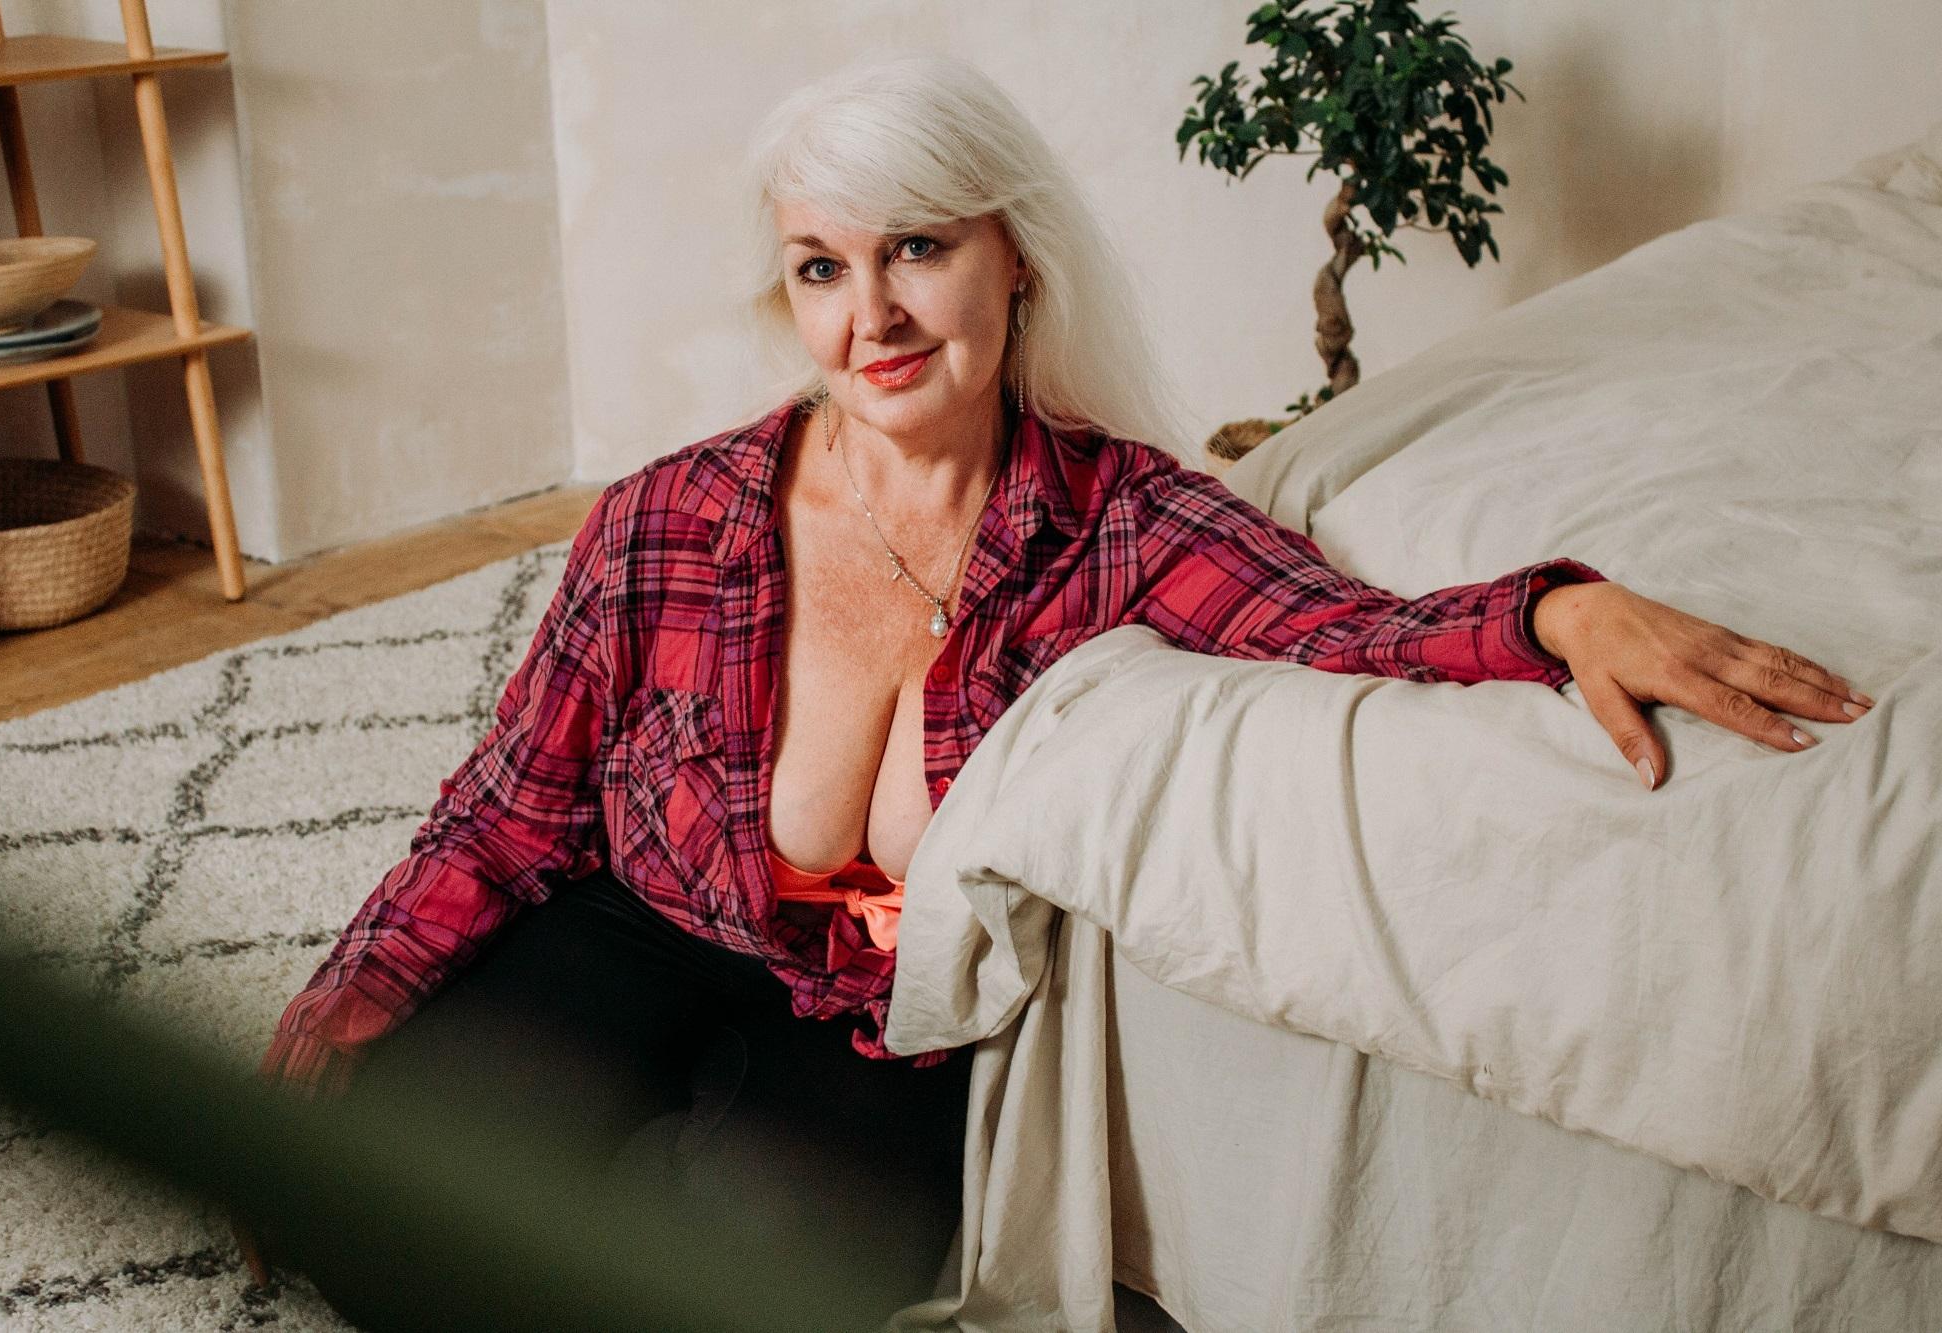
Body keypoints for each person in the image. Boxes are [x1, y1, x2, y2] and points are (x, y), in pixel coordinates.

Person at [235, 52, 1874, 1330]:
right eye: (820, 268)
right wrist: (368, 974)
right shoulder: (670, 516)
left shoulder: (1119, 521)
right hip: (644, 923)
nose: (872, 317)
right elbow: (510, 804)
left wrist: (1558, 610)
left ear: (1013, 258)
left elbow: (1343, 627)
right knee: (374, 1203)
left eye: (917, 249)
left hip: (883, 1038)